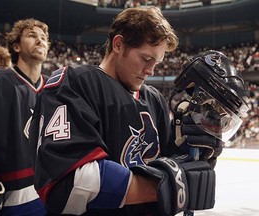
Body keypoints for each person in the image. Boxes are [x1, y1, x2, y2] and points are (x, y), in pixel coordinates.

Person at [29, 7, 248, 216]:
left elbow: (172, 164)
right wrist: (164, 186)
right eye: (146, 59)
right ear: (118, 45)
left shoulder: (154, 99)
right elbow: (69, 185)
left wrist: (197, 155)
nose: (151, 70)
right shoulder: (75, 82)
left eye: (157, 62)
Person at [0, 18, 49, 215]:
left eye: (44, 37)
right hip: (6, 198)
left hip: (49, 193)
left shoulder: (55, 91)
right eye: (32, 36)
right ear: (16, 46)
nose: (40, 41)